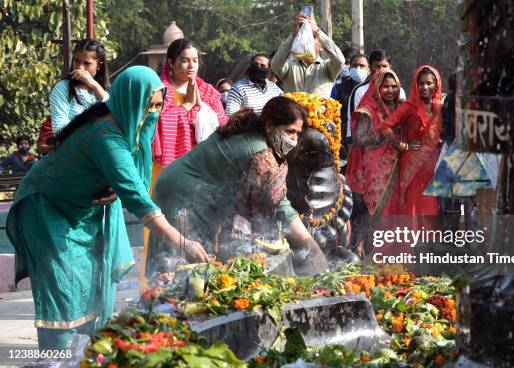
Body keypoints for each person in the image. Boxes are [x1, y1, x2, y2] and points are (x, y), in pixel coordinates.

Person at [6, 66, 208, 350]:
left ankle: (89, 355)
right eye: (146, 106)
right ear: (128, 101)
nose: (151, 114)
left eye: (157, 107)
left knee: (92, 284)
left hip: (81, 212)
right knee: (63, 293)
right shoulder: (106, 135)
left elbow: (129, 183)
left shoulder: (126, 132)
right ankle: (56, 358)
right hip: (46, 211)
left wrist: (112, 189)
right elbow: (137, 199)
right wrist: (182, 242)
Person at [148, 96, 328, 276]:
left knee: (201, 269)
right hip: (182, 196)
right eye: (289, 132)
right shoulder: (261, 155)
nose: (293, 140)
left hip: (177, 185)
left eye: (297, 133)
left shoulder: (250, 132)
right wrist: (313, 249)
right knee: (181, 271)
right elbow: (279, 205)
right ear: (270, 125)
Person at [345, 70, 401, 256]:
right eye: (386, 86)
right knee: (369, 213)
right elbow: (359, 138)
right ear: (376, 88)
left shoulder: (400, 106)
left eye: (394, 86)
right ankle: (363, 253)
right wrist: (383, 134)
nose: (390, 90)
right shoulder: (367, 109)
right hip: (370, 168)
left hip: (394, 168)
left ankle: (385, 252)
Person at [376, 65, 444, 217]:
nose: (424, 87)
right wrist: (402, 145)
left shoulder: (439, 106)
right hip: (412, 162)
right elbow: (385, 127)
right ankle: (410, 239)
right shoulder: (409, 106)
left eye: (429, 83)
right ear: (415, 84)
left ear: (436, 84)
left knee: (430, 202)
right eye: (421, 83)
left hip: (433, 163)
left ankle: (429, 239)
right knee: (412, 201)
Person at [152, 38, 228, 171]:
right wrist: (187, 105)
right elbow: (156, 123)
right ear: (171, 62)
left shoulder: (207, 91)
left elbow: (223, 124)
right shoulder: (159, 91)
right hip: (167, 167)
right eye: (184, 61)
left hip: (203, 164)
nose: (191, 66)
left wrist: (201, 105)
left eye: (195, 60)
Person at [270, 12, 344, 96]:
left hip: (319, 109)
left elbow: (340, 60)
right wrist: (294, 35)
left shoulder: (327, 67)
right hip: (293, 109)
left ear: (322, 46)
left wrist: (316, 31)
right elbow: (275, 64)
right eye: (303, 37)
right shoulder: (289, 65)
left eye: (313, 37)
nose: (307, 40)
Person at [49, 39, 109, 136]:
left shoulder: (103, 91)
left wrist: (94, 85)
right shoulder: (62, 87)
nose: (80, 67)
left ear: (98, 66)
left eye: (86, 63)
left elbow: (113, 115)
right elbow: (58, 128)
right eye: (76, 61)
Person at [346, 49, 407, 143]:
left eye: (384, 66)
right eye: (377, 66)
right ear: (370, 68)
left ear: (390, 67)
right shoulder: (360, 91)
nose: (381, 70)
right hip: (368, 145)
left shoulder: (399, 91)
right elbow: (353, 123)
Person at [333, 53, 369, 155]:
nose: (358, 68)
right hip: (343, 138)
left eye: (362, 66)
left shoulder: (373, 88)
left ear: (369, 70)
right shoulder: (339, 88)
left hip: (369, 138)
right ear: (349, 69)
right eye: (354, 65)